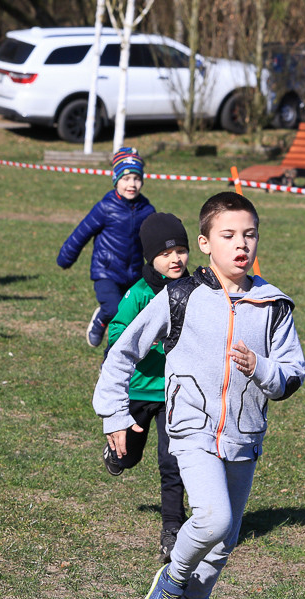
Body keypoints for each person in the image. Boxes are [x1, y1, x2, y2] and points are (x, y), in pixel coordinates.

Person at [94, 192, 305, 599]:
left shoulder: (273, 304)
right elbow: (122, 352)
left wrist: (261, 368)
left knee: (223, 543)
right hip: (190, 429)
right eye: (228, 235)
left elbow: (292, 375)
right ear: (206, 243)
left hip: (244, 436)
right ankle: (170, 580)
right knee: (214, 518)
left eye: (249, 235)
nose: (241, 244)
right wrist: (114, 413)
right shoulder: (179, 296)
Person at [101, 212, 189, 564]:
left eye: (180, 251)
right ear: (151, 257)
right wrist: (149, 342)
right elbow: (116, 335)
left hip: (174, 393)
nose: (175, 259)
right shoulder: (138, 294)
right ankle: (115, 454)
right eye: (165, 254)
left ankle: (172, 527)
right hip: (139, 390)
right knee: (129, 457)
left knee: (172, 461)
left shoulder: (193, 291)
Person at [57, 148, 155, 348]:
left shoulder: (147, 210)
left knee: (128, 320)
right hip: (106, 272)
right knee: (114, 310)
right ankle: (101, 318)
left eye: (137, 179)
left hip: (133, 275)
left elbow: (155, 241)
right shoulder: (105, 207)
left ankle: (111, 360)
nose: (132, 184)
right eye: (126, 178)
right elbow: (82, 232)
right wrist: (66, 257)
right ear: (116, 180)